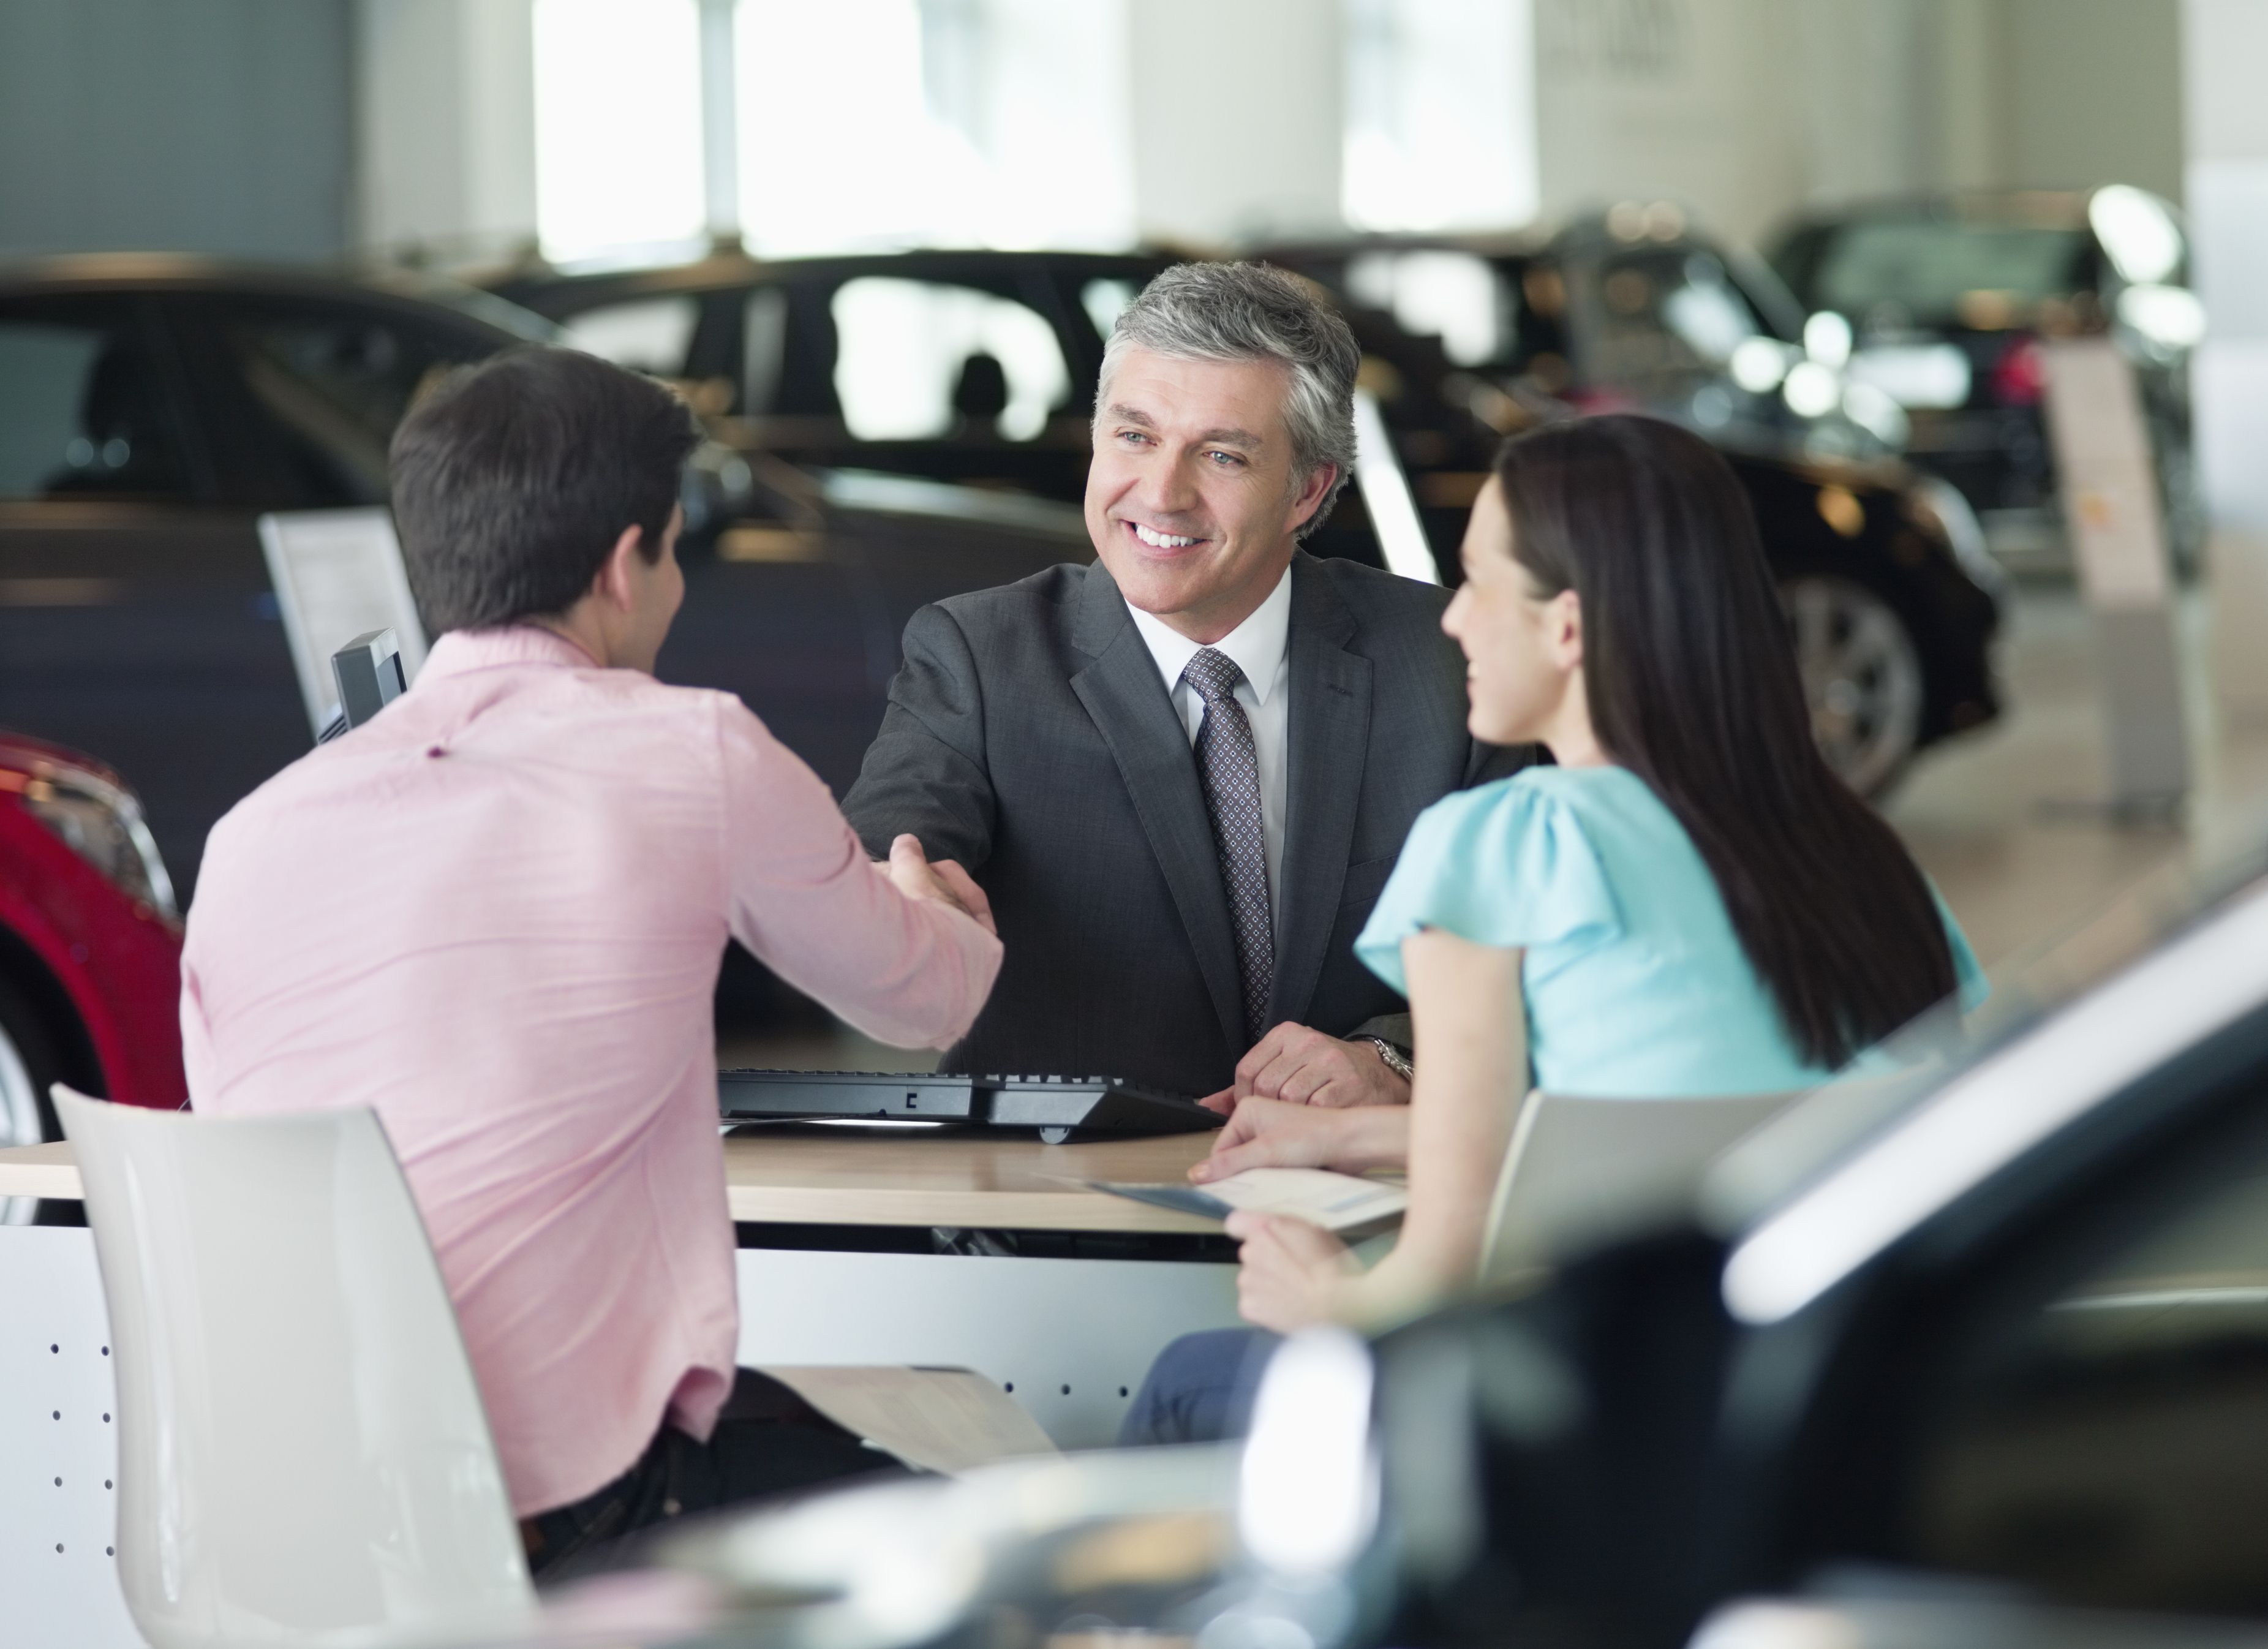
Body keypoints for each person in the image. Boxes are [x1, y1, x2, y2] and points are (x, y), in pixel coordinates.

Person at [179, 349, 1003, 1572]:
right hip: (572, 1520)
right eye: (673, 552)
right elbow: (925, 994)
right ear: (628, 564)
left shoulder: (247, 836)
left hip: (305, 1524)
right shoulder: (693, 750)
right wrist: (937, 905)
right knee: (984, 1538)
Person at [1123, 414, 1980, 1438]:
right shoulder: (1863, 857)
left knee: (1187, 1374)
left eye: (1480, 583)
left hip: (1574, 1423)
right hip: (1830, 1416)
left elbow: (1436, 1291)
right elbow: (1694, 1129)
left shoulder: (1508, 846)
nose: (1454, 621)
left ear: (1567, 628)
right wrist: (1368, 1134)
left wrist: (1324, 1305)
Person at [843, 262, 1529, 1107]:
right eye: (1134, 438)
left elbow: (1533, 940)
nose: (1162, 494)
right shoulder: (980, 655)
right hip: (1062, 1209)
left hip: (1357, 1192)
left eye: (1221, 454)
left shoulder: (1445, 659)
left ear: (1307, 491)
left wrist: (1395, 1058)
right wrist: (901, 902)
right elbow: (896, 846)